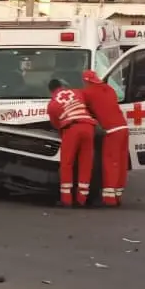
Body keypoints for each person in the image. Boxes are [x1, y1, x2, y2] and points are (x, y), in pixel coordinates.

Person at [81, 70, 129, 207]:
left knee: (110, 162)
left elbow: (79, 100)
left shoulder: (88, 93)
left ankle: (109, 198)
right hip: (123, 128)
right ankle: (118, 195)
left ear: (87, 81)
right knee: (121, 163)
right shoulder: (109, 89)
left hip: (112, 130)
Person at [46, 78, 97, 207]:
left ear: (51, 90)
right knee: (86, 162)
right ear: (63, 86)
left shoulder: (52, 104)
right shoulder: (76, 92)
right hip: (88, 126)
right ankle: (82, 198)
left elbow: (56, 124)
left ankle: (66, 198)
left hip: (71, 129)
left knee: (67, 163)